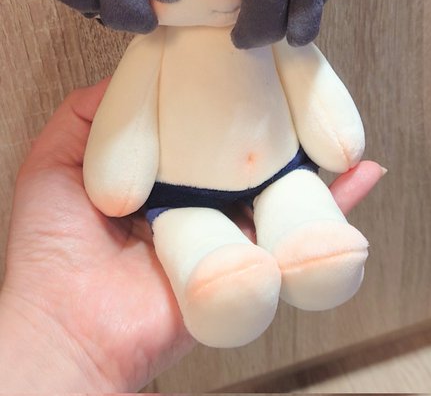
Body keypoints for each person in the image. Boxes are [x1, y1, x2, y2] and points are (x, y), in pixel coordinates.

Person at [0, 80, 385, 392]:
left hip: (281, 172)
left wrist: (338, 142)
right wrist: (118, 184)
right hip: (182, 198)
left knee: (302, 212)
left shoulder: (277, 42)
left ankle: (312, 246)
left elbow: (311, 82)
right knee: (204, 256)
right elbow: (130, 109)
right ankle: (221, 282)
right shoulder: (154, 54)